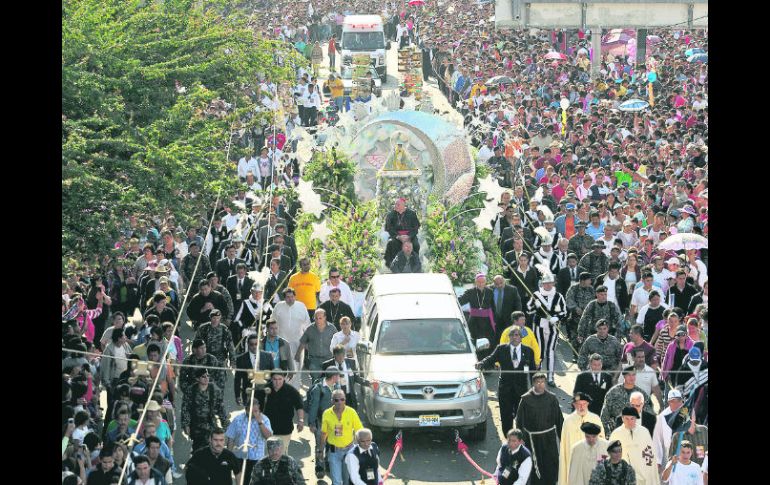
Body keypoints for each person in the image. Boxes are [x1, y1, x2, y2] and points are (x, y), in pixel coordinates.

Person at [476, 325, 536, 436]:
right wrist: (482, 363)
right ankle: (508, 438)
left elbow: (533, 372)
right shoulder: (501, 349)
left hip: (521, 390)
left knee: (521, 417)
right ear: (509, 337)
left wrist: (536, 388)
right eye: (512, 335)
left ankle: (520, 439)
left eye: (517, 335)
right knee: (506, 416)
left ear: (521, 337)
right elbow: (491, 359)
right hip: (505, 390)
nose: (514, 337)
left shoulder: (528, 351)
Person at [514, 372, 563, 485]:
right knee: (533, 466)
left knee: (550, 465)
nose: (540, 385)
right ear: (533, 383)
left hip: (548, 440)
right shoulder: (525, 400)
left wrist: (563, 438)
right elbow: (519, 421)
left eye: (542, 382)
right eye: (538, 382)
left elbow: (559, 420)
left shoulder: (552, 399)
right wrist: (519, 439)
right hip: (532, 441)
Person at [526, 266, 567, 386]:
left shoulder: (558, 296)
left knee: (551, 351)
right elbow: (528, 309)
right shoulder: (536, 294)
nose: (548, 285)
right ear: (542, 284)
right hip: (539, 326)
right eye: (545, 283)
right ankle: (538, 376)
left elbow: (564, 312)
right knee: (539, 351)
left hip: (553, 327)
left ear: (553, 283)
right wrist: (535, 304)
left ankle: (550, 377)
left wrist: (557, 317)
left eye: (550, 283)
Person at [558, 393, 605, 485]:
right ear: (574, 405)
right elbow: (564, 449)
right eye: (578, 404)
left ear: (588, 404)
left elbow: (603, 445)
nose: (581, 407)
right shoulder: (568, 422)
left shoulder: (595, 419)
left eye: (584, 404)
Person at [225, 395, 273, 481]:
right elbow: (230, 438)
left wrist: (260, 423)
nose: (253, 413)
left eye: (255, 411)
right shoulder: (238, 419)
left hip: (256, 459)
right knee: (241, 482)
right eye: (250, 411)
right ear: (245, 409)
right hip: (240, 457)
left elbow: (269, 437)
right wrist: (228, 456)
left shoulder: (265, 419)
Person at [181, 369, 229, 453]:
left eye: (208, 376)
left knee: (212, 448)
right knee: (198, 449)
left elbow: (221, 407)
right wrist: (186, 425)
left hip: (210, 423)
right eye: (203, 376)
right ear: (197, 379)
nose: (206, 378)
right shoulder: (191, 390)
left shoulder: (214, 389)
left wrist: (225, 423)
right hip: (196, 425)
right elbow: (185, 409)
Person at [321, 389, 363, 485]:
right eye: (336, 400)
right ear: (332, 401)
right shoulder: (327, 414)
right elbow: (324, 433)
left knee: (347, 480)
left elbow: (359, 431)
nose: (340, 402)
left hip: (349, 451)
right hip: (333, 452)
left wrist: (362, 449)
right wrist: (320, 450)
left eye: (342, 399)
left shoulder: (351, 412)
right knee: (336, 482)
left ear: (345, 400)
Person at [609, 407, 660, 485]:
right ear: (622, 418)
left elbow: (650, 455)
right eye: (627, 418)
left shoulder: (644, 432)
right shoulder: (616, 434)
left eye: (632, 418)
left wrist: (649, 473)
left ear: (636, 418)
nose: (629, 421)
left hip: (642, 476)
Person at [273, 288, 311, 386]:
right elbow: (272, 322)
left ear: (295, 296)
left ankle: (296, 389)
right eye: (288, 297)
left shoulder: (301, 306)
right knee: (283, 365)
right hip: (282, 343)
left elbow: (307, 324)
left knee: (297, 366)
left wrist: (307, 341)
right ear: (284, 298)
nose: (290, 299)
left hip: (297, 342)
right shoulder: (278, 306)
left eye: (292, 296)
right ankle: (283, 387)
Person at [601, 367, 654, 435]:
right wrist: (608, 434)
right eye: (629, 375)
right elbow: (604, 416)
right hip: (618, 432)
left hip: (637, 432)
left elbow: (649, 415)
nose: (631, 377)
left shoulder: (642, 394)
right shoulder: (613, 393)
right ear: (624, 376)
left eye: (633, 375)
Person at [263, 371, 305, 453]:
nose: (277, 382)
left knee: (281, 455)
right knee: (267, 454)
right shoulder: (264, 390)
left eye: (280, 379)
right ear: (271, 379)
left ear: (284, 379)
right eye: (275, 379)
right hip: (267, 429)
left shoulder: (291, 391)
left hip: (284, 430)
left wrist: (301, 420)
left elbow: (299, 406)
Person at [459, 273, 498, 359]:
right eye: (479, 282)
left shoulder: (490, 292)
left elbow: (493, 307)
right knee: (475, 340)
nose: (481, 284)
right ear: (475, 282)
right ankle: (476, 359)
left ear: (485, 282)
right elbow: (459, 301)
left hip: (487, 321)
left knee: (487, 341)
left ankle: (486, 362)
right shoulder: (470, 292)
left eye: (483, 282)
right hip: (474, 321)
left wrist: (494, 320)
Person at [233, 334, 275, 406]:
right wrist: (237, 396)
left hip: (265, 391)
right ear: (248, 345)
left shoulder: (268, 356)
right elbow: (237, 379)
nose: (254, 347)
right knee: (250, 415)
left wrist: (273, 392)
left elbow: (273, 375)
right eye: (251, 344)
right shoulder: (240, 359)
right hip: (248, 393)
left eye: (256, 344)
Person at [297, 308, 337, 374]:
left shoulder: (332, 328)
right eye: (316, 318)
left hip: (328, 360)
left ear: (325, 317)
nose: (318, 320)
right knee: (315, 381)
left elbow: (337, 343)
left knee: (328, 381)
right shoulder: (310, 328)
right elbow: (303, 342)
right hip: (314, 360)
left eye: (320, 318)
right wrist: (298, 355)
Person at [384, 198, 420, 265]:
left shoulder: (412, 213)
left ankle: (415, 264)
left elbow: (416, 228)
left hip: (410, 236)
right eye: (395, 204)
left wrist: (409, 236)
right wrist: (398, 236)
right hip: (396, 236)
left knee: (416, 244)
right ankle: (393, 264)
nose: (395, 206)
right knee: (391, 243)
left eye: (398, 205)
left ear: (403, 205)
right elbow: (389, 228)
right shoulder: (390, 215)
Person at [490, 274, 523, 344]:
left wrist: (516, 318)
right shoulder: (489, 290)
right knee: (494, 341)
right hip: (493, 320)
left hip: (508, 320)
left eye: (501, 283)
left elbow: (518, 304)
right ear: (493, 283)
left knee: (507, 340)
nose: (499, 286)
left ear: (504, 281)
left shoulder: (512, 290)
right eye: (496, 284)